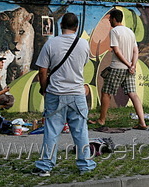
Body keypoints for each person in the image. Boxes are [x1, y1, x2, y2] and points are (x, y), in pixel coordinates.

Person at [33, 13, 96, 177]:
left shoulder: (51, 44)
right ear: (76, 27)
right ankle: (85, 165)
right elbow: (82, 64)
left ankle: (45, 166)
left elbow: (42, 70)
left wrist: (44, 88)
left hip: (55, 93)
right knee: (81, 131)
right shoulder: (83, 44)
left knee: (52, 131)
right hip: (77, 93)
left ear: (61, 25)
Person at [89, 9, 147, 130]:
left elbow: (116, 50)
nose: (109, 20)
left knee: (106, 92)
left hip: (117, 67)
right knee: (133, 94)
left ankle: (101, 120)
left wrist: (127, 63)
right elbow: (136, 51)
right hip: (129, 69)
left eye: (110, 19)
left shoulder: (114, 31)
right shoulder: (130, 32)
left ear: (115, 19)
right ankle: (142, 122)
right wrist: (132, 65)